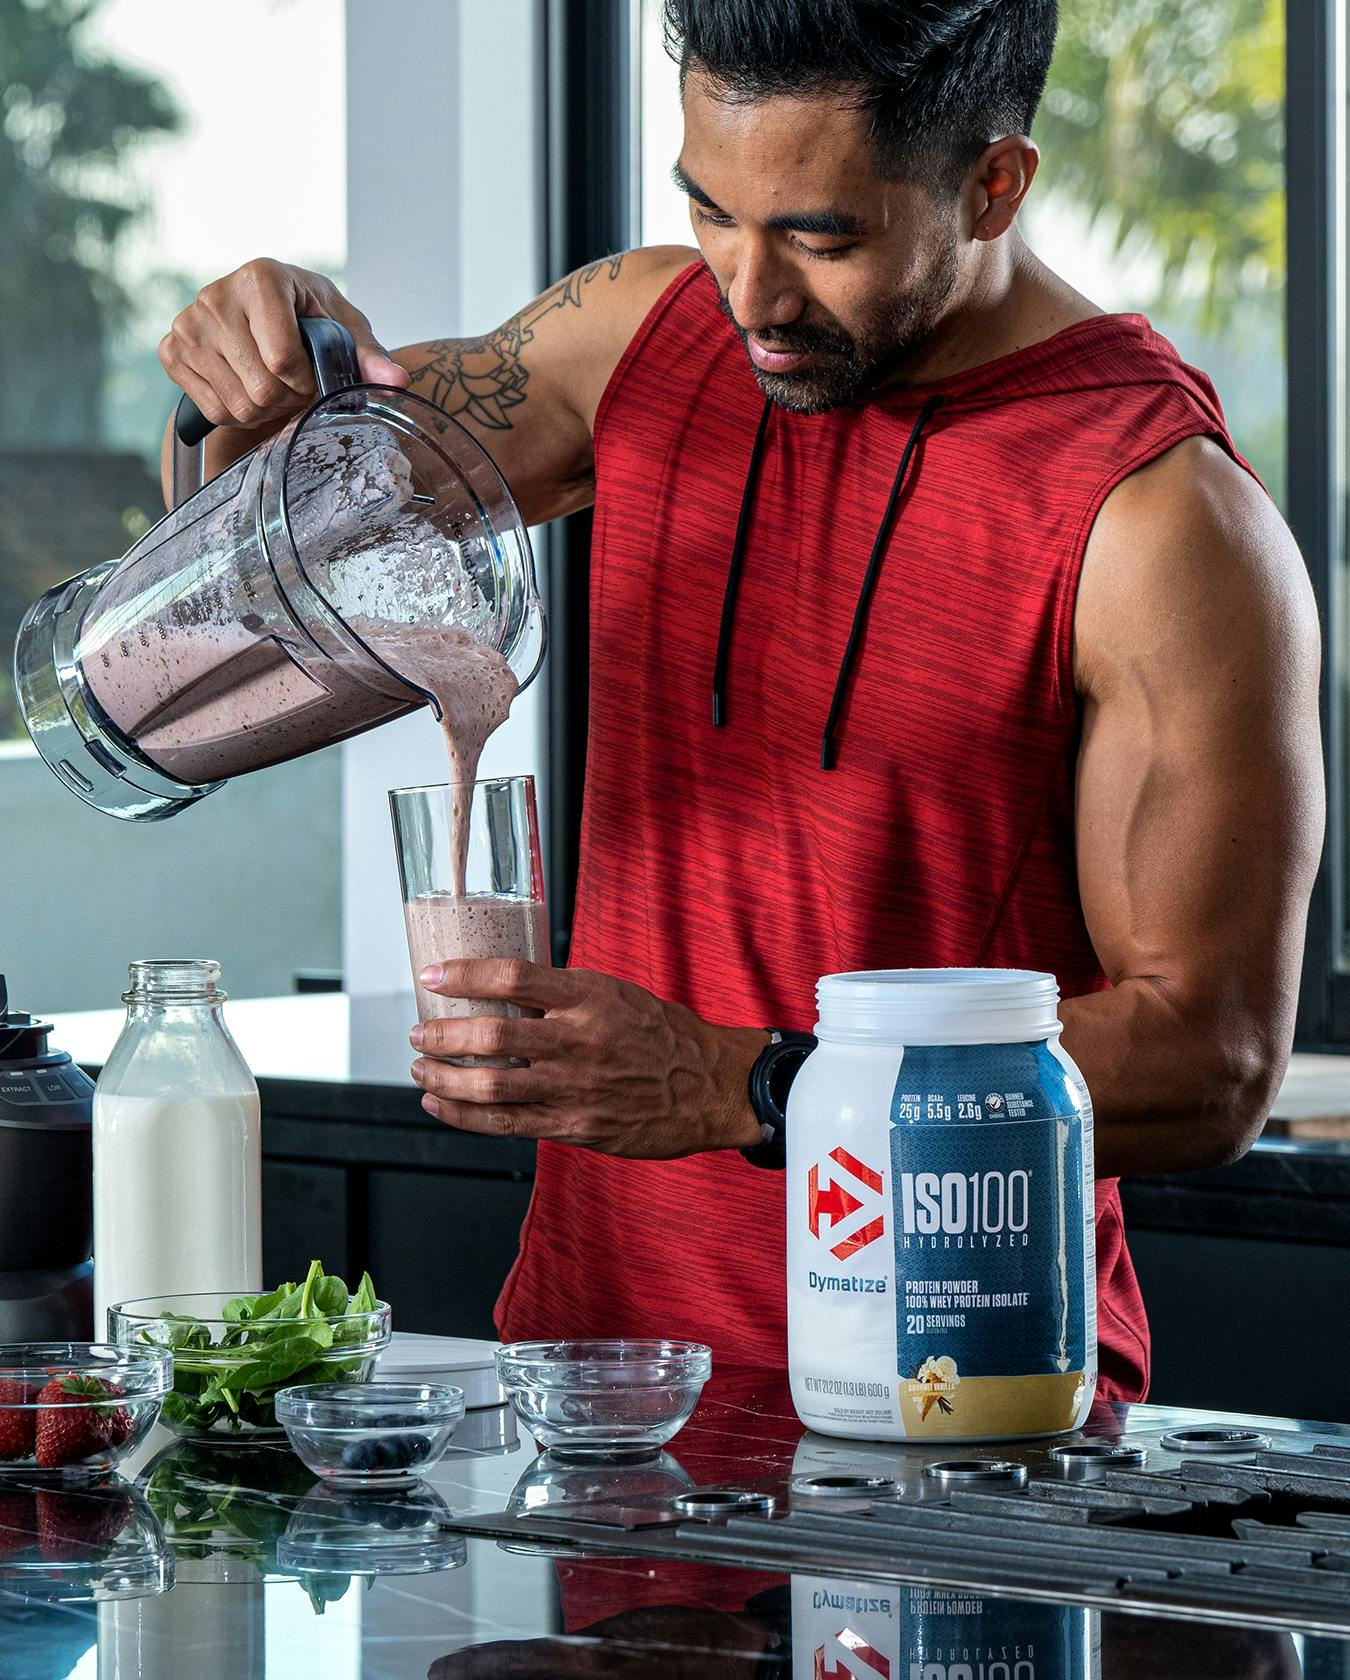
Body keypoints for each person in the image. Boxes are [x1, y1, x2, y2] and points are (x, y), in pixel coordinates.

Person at [160, 0, 1323, 1403]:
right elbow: (254, 571)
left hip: (958, 1406)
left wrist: (753, 1086)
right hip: (600, 1398)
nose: (750, 291)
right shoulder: (633, 333)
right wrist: (248, 381)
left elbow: (1211, 1062)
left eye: (821, 237)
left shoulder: (1157, 515)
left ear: (992, 182)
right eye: (711, 211)